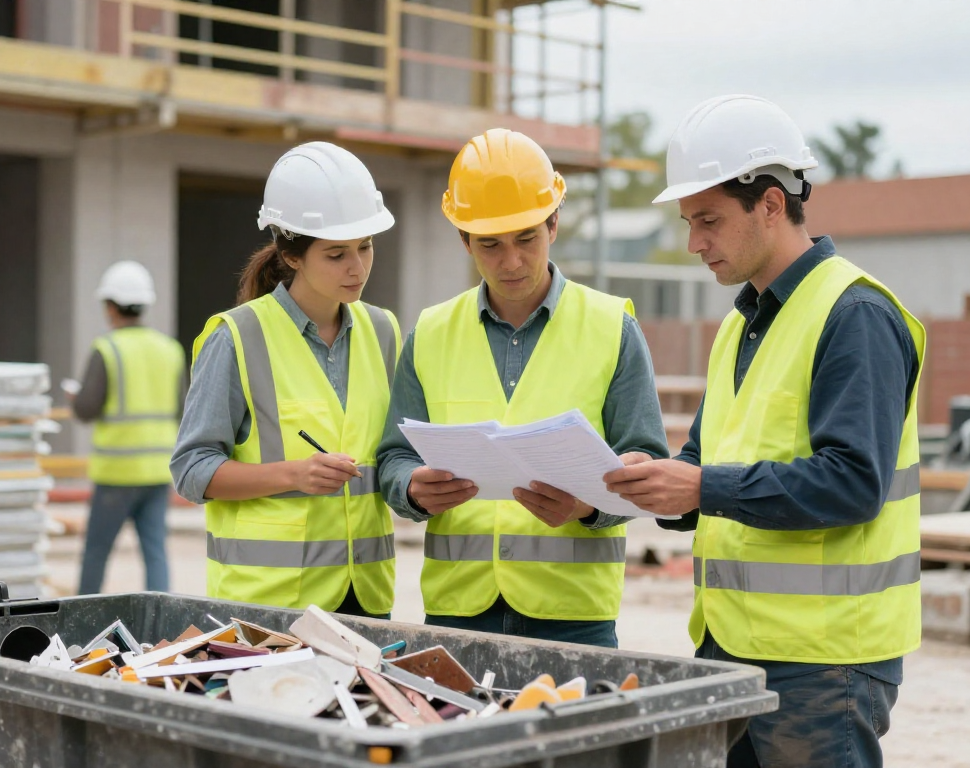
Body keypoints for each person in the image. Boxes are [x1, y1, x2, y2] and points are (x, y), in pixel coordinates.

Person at [604, 95, 925, 767]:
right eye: (691, 223)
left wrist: (702, 485)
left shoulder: (855, 315)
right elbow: (704, 464)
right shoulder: (742, 323)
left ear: (771, 204)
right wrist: (650, 478)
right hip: (734, 647)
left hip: (823, 665)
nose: (694, 243)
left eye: (709, 221)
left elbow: (854, 483)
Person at [376, 128, 669, 647]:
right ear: (463, 238)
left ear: (553, 223)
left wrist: (588, 507)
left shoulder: (611, 328)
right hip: (457, 613)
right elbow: (394, 459)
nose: (511, 261)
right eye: (490, 244)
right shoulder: (430, 333)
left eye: (526, 238)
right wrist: (412, 489)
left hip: (575, 617)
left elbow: (645, 464)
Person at [171, 142, 401, 618]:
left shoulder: (383, 331)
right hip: (268, 606)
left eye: (366, 247)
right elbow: (192, 471)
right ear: (293, 256)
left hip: (366, 598)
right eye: (336, 254)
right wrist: (293, 474)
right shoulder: (237, 337)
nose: (357, 267)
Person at [72, 260, 187, 595]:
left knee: (96, 552)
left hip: (116, 474)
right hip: (157, 471)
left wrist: (74, 398)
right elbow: (183, 408)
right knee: (155, 553)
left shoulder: (107, 349)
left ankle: (84, 618)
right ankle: (161, 620)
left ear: (110, 307)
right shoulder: (170, 349)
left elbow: (86, 408)